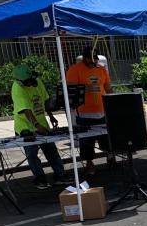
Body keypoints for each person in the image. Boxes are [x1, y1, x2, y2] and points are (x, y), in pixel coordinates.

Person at [10, 63, 68, 189]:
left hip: (41, 123)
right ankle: (40, 179)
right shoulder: (17, 88)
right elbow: (26, 109)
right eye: (25, 82)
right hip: (25, 126)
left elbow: (45, 99)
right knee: (32, 154)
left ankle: (60, 176)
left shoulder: (38, 82)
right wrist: (36, 125)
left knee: (51, 151)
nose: (28, 84)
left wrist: (50, 115)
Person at [66, 45, 113, 176]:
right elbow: (71, 90)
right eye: (92, 60)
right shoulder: (75, 70)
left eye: (96, 60)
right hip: (85, 112)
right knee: (87, 140)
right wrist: (85, 88)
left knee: (106, 136)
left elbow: (108, 87)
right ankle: (89, 163)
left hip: (102, 110)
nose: (94, 62)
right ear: (85, 58)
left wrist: (113, 100)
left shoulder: (101, 69)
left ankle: (110, 156)